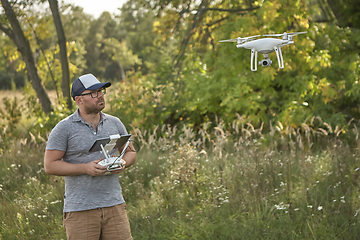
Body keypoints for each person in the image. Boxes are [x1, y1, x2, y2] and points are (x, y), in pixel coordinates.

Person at [44, 73, 136, 240]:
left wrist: (123, 161)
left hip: (114, 205)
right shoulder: (64, 128)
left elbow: (130, 152)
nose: (100, 95)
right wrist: (85, 168)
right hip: (81, 209)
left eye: (101, 91)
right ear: (79, 100)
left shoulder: (115, 123)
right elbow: (50, 165)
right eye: (93, 93)